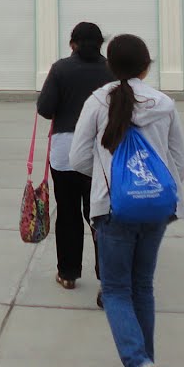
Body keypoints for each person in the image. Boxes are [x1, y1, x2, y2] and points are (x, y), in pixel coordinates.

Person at [68, 34, 184, 367]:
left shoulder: (99, 101)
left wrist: (106, 177)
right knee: (143, 287)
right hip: (156, 209)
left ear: (110, 66)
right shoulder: (164, 103)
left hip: (113, 208)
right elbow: (178, 162)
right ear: (146, 66)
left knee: (116, 290)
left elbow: (77, 157)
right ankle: (143, 366)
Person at [37, 21, 114, 291]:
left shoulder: (60, 69)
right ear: (101, 43)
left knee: (67, 212)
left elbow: (45, 109)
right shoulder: (111, 71)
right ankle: (107, 275)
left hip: (65, 151)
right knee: (99, 213)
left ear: (73, 44)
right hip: (102, 153)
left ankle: (68, 273)